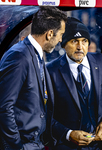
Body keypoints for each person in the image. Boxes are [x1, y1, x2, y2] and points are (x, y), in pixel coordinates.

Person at [46, 17, 102, 150]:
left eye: (84, 41)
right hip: (68, 146)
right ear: (63, 44)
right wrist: (68, 134)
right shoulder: (50, 71)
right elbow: (44, 113)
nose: (80, 47)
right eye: (74, 41)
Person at [0, 6, 68, 150]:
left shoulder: (36, 54)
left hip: (35, 143)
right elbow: (4, 106)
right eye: (61, 34)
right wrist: (17, 146)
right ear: (50, 34)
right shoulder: (19, 56)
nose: (61, 39)